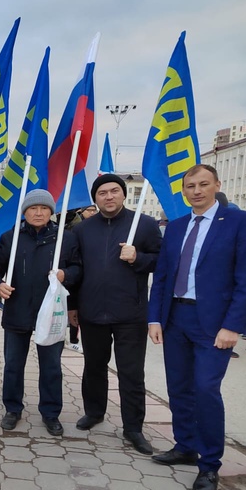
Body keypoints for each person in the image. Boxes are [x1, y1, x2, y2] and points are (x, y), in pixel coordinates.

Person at [148, 164, 246, 490]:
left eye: (203, 184)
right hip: (176, 319)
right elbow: (163, 276)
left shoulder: (241, 223)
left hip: (214, 325)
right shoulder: (178, 227)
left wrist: (233, 326)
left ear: (217, 185)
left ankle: (210, 464)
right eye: (190, 186)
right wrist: (154, 318)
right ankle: (185, 446)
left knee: (205, 389)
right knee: (179, 387)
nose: (196, 190)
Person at [70, 174, 161, 454]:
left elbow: (161, 262)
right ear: (95, 199)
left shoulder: (143, 225)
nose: (108, 197)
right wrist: (73, 305)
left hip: (130, 314)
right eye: (102, 193)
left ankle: (133, 427)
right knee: (94, 367)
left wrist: (138, 259)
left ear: (123, 195)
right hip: (92, 311)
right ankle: (94, 412)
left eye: (114, 191)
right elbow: (76, 270)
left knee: (131, 373)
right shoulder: (83, 230)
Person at [0, 189, 82, 436]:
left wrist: (66, 275)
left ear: (51, 211)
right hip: (17, 309)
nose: (38, 212)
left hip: (51, 313)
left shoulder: (65, 238)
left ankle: (51, 413)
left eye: (43, 208)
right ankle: (12, 408)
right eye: (33, 208)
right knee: (13, 364)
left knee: (51, 366)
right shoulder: (11, 237)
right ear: (25, 212)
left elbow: (78, 268)